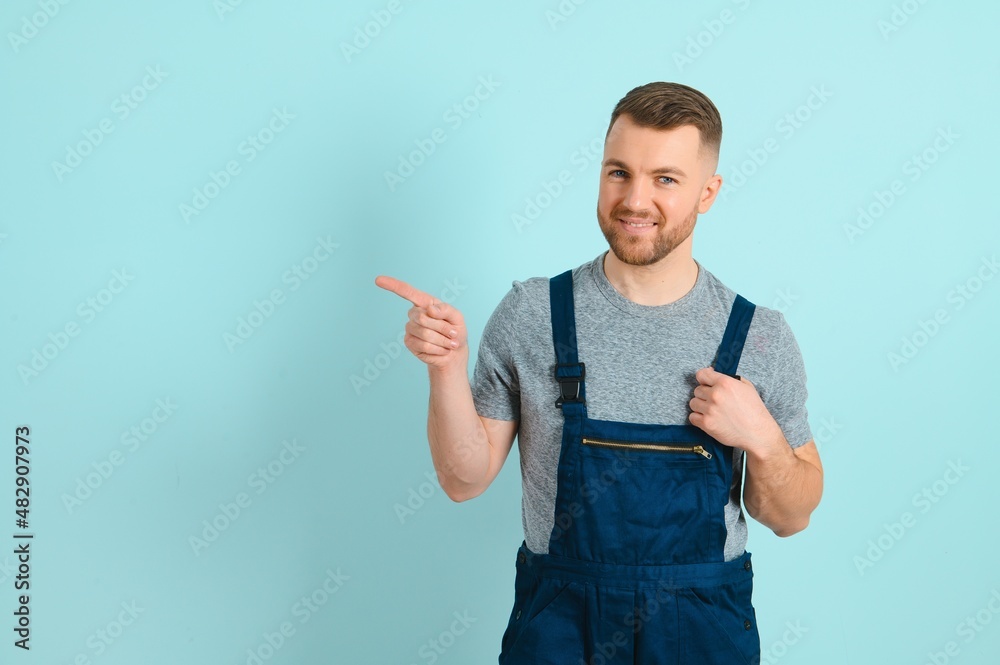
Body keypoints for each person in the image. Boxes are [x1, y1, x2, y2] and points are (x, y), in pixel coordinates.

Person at [375, 81, 823, 664]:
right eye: (619, 172)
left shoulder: (758, 336)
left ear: (707, 192)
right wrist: (445, 370)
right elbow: (464, 480)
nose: (635, 200)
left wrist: (762, 437)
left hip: (701, 630)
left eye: (665, 179)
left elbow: (791, 518)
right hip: (560, 626)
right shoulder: (533, 313)